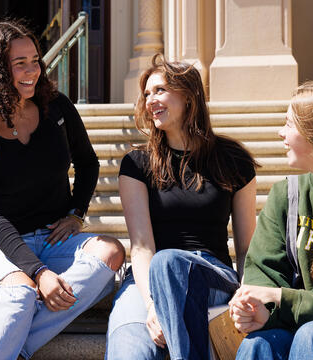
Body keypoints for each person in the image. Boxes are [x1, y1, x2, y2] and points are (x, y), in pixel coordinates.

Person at [0, 18, 125, 360]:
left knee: (111, 252)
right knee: (19, 295)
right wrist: (39, 273)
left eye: (35, 60)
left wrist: (76, 214)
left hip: (53, 237)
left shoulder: (57, 107)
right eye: (20, 64)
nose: (32, 70)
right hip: (3, 241)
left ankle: (15, 346)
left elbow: (88, 163)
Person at [105, 54, 257, 360]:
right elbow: (143, 246)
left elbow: (246, 247)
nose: (150, 100)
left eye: (160, 90)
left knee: (171, 261)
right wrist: (151, 305)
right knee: (131, 351)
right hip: (147, 279)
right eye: (146, 94)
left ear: (188, 96)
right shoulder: (137, 164)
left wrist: (249, 296)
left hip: (212, 275)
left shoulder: (233, 159)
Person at [229, 81, 313, 360]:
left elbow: (283, 298)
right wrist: (255, 308)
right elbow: (262, 273)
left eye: (289, 124)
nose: (280, 132)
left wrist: (285, 300)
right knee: (259, 344)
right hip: (305, 322)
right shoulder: (287, 194)